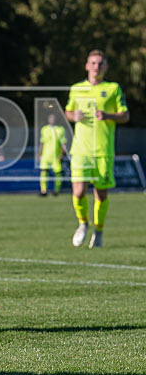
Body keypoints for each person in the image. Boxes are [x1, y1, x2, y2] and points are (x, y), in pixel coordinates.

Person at [64, 50, 129, 249]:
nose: (96, 66)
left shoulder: (113, 89)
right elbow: (67, 112)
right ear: (86, 65)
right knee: (79, 192)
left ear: (106, 67)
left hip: (102, 149)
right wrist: (73, 116)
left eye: (101, 63)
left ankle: (98, 231)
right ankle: (83, 223)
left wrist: (108, 116)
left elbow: (125, 116)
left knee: (101, 194)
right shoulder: (76, 89)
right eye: (93, 63)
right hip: (81, 149)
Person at [37, 113, 69, 196]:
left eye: (53, 118)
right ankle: (43, 191)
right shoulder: (44, 129)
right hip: (46, 156)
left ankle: (56, 191)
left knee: (58, 173)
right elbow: (42, 142)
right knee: (44, 172)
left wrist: (61, 155)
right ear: (48, 120)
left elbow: (63, 143)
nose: (52, 120)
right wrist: (39, 154)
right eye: (51, 118)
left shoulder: (60, 129)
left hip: (56, 156)